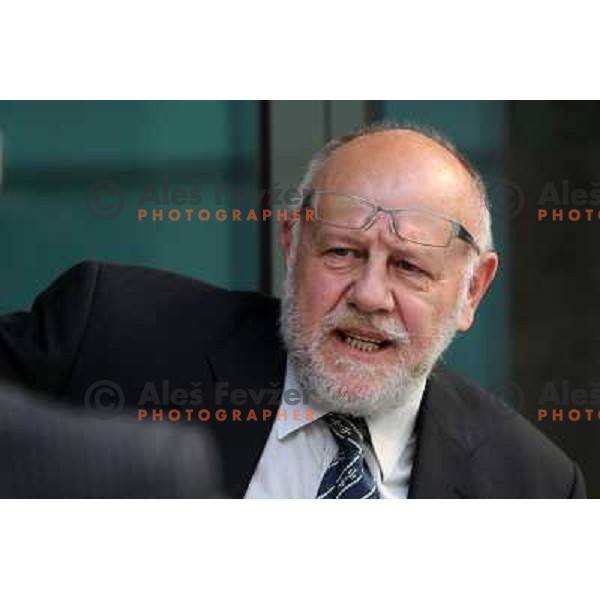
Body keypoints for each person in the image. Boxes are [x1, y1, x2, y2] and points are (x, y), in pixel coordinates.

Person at [0, 123, 586, 498]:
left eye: (409, 267)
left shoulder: (533, 487)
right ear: (290, 244)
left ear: (473, 291)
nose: (369, 295)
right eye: (342, 251)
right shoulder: (112, 330)